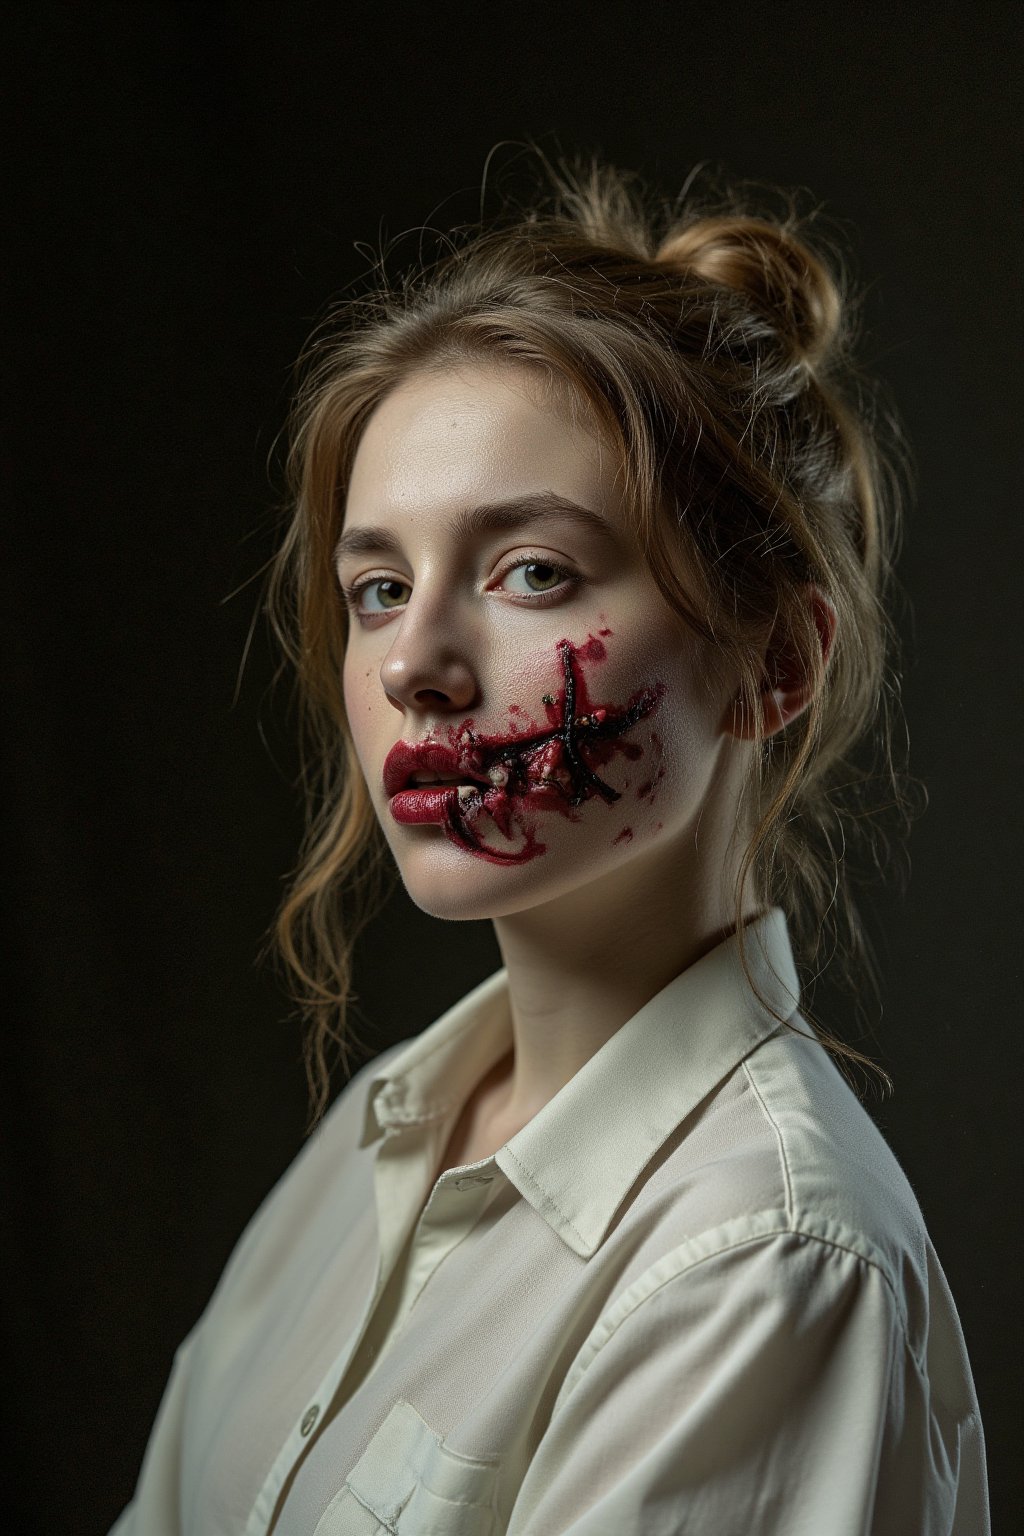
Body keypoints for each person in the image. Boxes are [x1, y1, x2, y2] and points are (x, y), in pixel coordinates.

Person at [110, 150, 989, 1534]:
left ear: (773, 662)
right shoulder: (382, 1129)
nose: (417, 666)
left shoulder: (761, 1261)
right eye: (381, 587)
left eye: (532, 573)